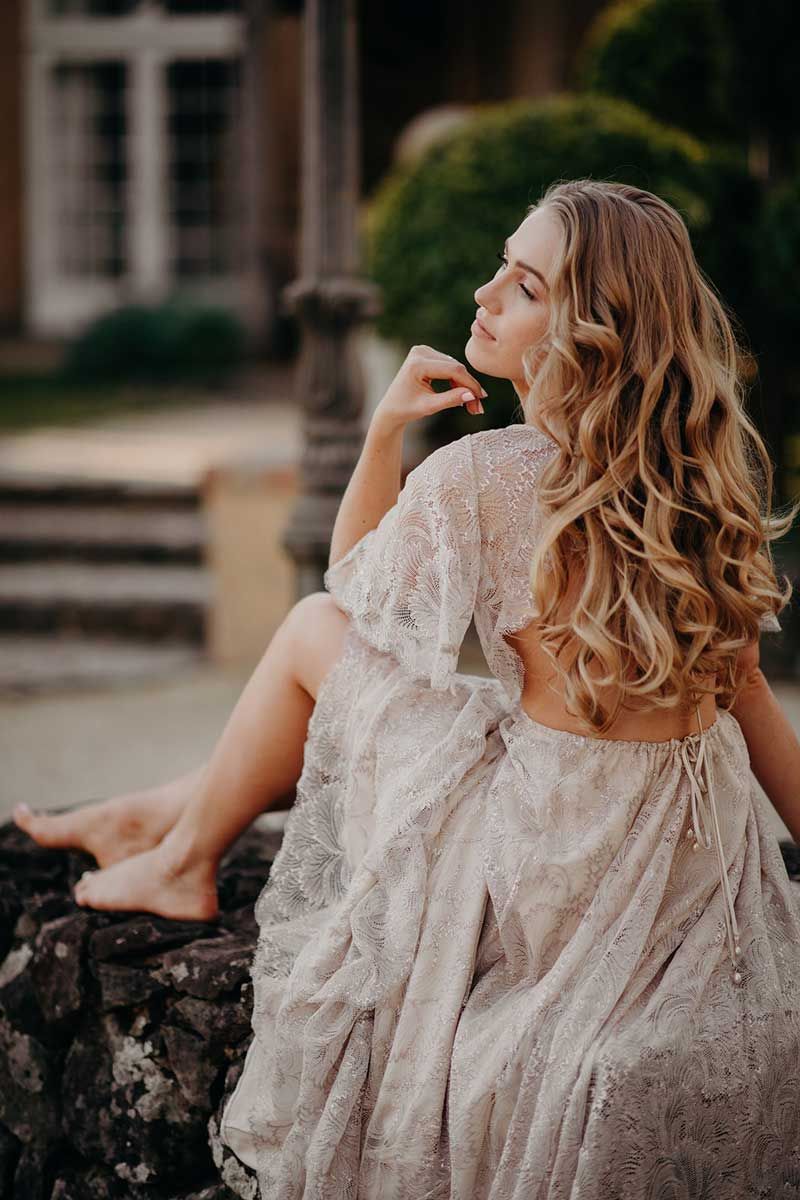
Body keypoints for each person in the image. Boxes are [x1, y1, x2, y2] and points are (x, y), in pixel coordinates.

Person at [14, 178, 800, 1198]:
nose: (482, 293)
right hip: (671, 860)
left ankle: (181, 851)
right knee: (428, 689)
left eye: (518, 286)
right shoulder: (702, 480)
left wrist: (383, 432)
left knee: (310, 632)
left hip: (537, 865)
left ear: (585, 331)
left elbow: (353, 594)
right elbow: (751, 704)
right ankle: (163, 816)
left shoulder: (484, 478)